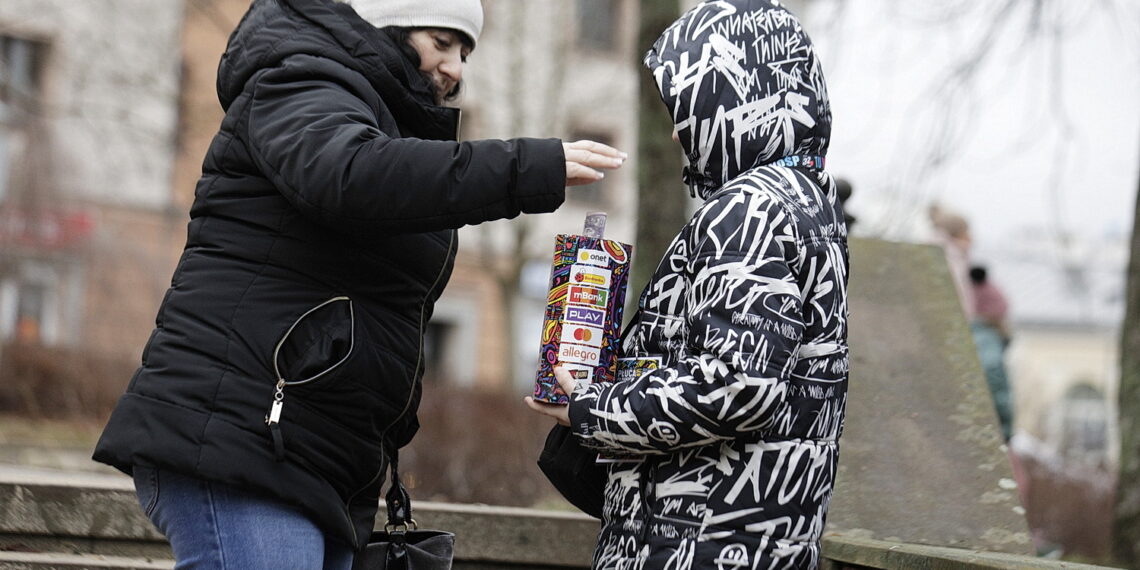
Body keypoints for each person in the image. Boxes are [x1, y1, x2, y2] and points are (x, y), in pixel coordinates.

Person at [92, 0, 624, 567]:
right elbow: (349, 174)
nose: (455, 69)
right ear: (385, 20)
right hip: (242, 442)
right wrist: (523, 166)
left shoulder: (375, 118)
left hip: (315, 456)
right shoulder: (299, 76)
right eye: (442, 43)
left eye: (465, 53)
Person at [526, 1, 849, 568]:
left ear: (736, 98)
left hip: (693, 539)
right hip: (759, 537)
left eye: (690, 107)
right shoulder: (808, 205)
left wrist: (593, 408)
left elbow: (738, 386)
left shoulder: (750, 209)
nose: (678, 133)